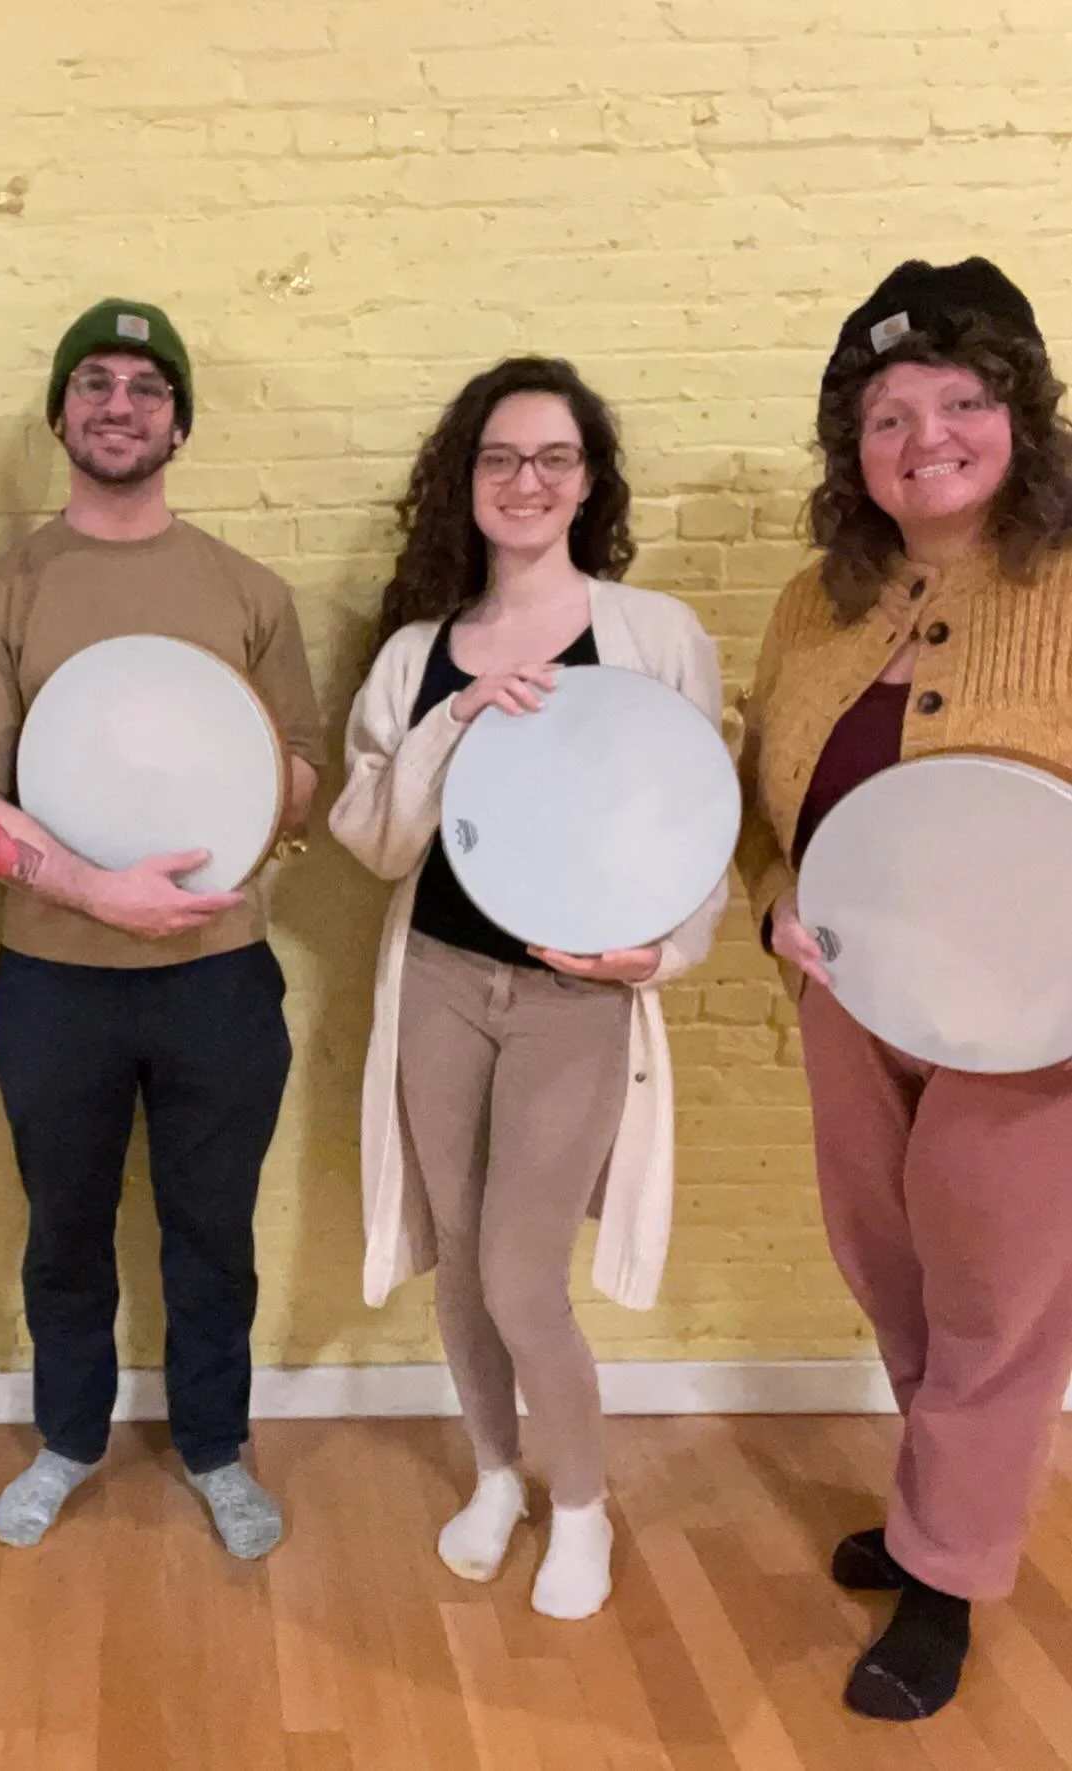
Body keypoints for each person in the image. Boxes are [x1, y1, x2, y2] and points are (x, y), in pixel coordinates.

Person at [329, 356, 726, 1619]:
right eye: (500, 458)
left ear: (588, 481)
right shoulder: (415, 655)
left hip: (574, 1004)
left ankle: (581, 1505)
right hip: (441, 983)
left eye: (553, 458)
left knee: (521, 1276)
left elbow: (698, 826)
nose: (526, 481)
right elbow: (378, 844)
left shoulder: (652, 635)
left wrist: (655, 957)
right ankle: (496, 1474)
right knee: (457, 1262)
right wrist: (457, 720)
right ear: (466, 479)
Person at [737, 258, 1072, 1721]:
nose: (923, 435)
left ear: (1021, 419)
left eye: (960, 400)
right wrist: (771, 902)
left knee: (996, 1300)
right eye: (885, 414)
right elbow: (759, 809)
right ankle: (944, 1496)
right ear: (849, 446)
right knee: (893, 1272)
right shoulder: (814, 604)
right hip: (854, 1001)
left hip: (1033, 1029)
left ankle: (945, 1573)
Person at [0, 298, 324, 1559]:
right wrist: (97, 891)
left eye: (145, 386)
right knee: (64, 1223)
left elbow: (305, 766)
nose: (117, 403)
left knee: (214, 1226)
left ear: (180, 421)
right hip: (56, 980)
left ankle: (216, 1446)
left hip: (218, 974)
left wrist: (251, 798)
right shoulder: (3, 594)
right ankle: (67, 1436)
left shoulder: (247, 591)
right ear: (60, 413)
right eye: (93, 382)